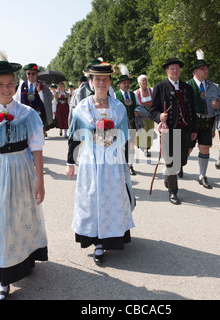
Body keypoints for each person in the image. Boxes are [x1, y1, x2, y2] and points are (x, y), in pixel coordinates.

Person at [0, 60, 48, 300]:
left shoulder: (27, 114)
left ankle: (25, 261)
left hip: (22, 169)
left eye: (10, 84)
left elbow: (36, 149)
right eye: (1, 85)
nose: (6, 89)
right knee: (0, 221)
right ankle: (3, 281)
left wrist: (40, 181)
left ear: (16, 85)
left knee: (23, 216)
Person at [66, 63, 135, 264]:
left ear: (110, 82)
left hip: (113, 160)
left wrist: (126, 163)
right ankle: (96, 241)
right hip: (91, 159)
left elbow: (124, 136)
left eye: (105, 79)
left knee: (113, 196)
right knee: (93, 196)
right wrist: (70, 162)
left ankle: (113, 235)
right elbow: (74, 136)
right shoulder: (82, 108)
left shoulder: (118, 108)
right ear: (91, 82)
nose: (101, 83)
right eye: (97, 79)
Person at [150, 57, 197, 205]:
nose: (175, 71)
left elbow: (193, 111)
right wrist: (160, 117)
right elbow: (153, 111)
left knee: (181, 161)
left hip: (185, 130)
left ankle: (168, 177)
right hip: (169, 131)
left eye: (177, 68)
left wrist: (194, 129)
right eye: (172, 68)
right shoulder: (160, 87)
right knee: (171, 162)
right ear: (167, 71)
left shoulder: (187, 88)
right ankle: (173, 192)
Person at [186, 49, 220, 189]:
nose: (206, 71)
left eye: (206, 69)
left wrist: (216, 106)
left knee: (205, 148)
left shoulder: (214, 86)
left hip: (207, 121)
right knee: (188, 149)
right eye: (203, 69)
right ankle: (181, 165)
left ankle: (202, 175)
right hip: (192, 122)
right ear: (195, 71)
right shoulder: (187, 86)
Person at [14, 63, 54, 137]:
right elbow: (17, 101)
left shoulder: (42, 86)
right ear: (26, 74)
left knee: (38, 143)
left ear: (37, 74)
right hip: (25, 119)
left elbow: (48, 100)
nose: (31, 76)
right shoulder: (22, 86)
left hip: (39, 119)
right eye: (29, 73)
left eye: (33, 74)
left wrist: (40, 92)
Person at [115, 69, 138, 175]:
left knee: (131, 145)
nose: (126, 85)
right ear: (120, 84)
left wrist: (137, 110)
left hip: (132, 124)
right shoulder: (115, 95)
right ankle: (122, 165)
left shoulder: (134, 95)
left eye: (128, 83)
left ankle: (130, 165)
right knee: (121, 146)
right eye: (124, 83)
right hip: (120, 125)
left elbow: (138, 106)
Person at [134, 74, 155, 157]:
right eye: (143, 80)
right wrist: (136, 111)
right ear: (139, 82)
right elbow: (135, 104)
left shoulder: (151, 90)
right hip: (142, 116)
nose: (145, 81)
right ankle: (144, 149)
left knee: (150, 132)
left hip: (150, 116)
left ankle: (147, 148)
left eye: (145, 80)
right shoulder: (136, 93)